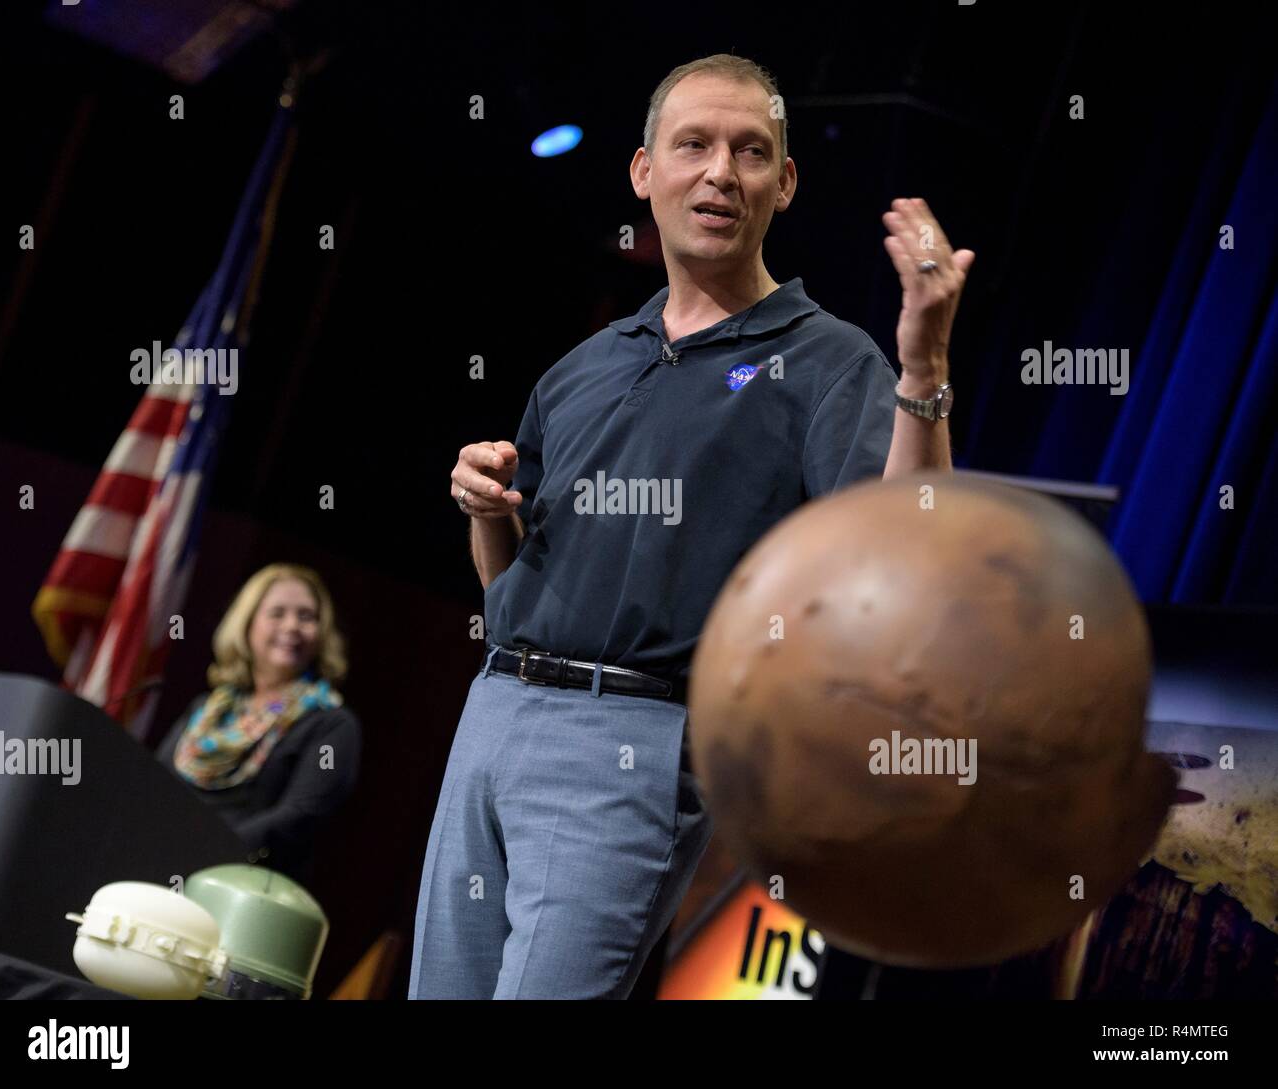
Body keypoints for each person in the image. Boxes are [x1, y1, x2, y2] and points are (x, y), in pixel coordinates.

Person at [409, 53, 974, 999]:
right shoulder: (587, 364)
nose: (722, 172)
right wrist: (487, 509)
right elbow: (508, 589)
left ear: (783, 184)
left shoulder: (829, 360)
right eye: (696, 145)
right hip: (493, 714)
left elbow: (909, 545)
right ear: (643, 171)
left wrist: (923, 373)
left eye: (752, 152)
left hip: (635, 739)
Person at [155, 563, 361, 886]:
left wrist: (206, 851)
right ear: (247, 624)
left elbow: (299, 816)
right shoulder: (207, 710)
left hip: (245, 887)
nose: (292, 626)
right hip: (160, 865)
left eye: (306, 617)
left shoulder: (330, 724)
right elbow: (155, 785)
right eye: (277, 613)